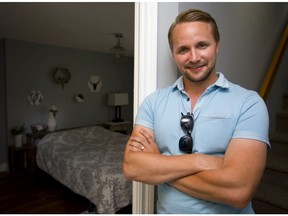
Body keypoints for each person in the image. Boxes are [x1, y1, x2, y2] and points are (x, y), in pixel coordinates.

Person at [123, 8, 270, 214]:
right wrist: (204, 161)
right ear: (173, 54)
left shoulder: (249, 103)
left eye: (202, 45)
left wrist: (160, 166)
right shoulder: (153, 102)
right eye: (183, 49)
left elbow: (238, 192)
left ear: (217, 45)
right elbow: (132, 167)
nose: (194, 57)